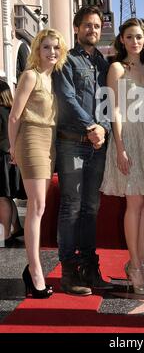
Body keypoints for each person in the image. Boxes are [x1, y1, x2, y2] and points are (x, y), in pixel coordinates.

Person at [53, 5, 112, 296]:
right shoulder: (66, 61)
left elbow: (111, 102)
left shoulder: (104, 64)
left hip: (98, 147)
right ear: (77, 29)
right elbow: (66, 99)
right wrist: (92, 126)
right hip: (72, 143)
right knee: (71, 207)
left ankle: (90, 267)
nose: (92, 30)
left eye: (97, 26)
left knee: (92, 208)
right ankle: (68, 270)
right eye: (87, 25)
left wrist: (104, 129)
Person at [8, 29, 67, 298]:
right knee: (37, 205)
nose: (52, 52)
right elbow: (14, 116)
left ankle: (31, 269)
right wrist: (13, 148)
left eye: (56, 47)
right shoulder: (30, 75)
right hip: (31, 137)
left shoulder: (54, 78)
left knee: (39, 207)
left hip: (49, 141)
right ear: (37, 50)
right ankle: (35, 271)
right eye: (46, 47)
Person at [101, 18, 144, 295]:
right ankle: (135, 267)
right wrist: (120, 146)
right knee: (134, 203)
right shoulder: (116, 68)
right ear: (121, 40)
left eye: (139, 37)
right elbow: (116, 111)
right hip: (128, 139)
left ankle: (142, 263)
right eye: (129, 37)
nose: (135, 41)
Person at [0, 80, 23, 244]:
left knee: (2, 198)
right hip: (12, 159)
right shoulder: (11, 111)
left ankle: (5, 236)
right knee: (6, 197)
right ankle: (15, 228)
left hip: (2, 159)